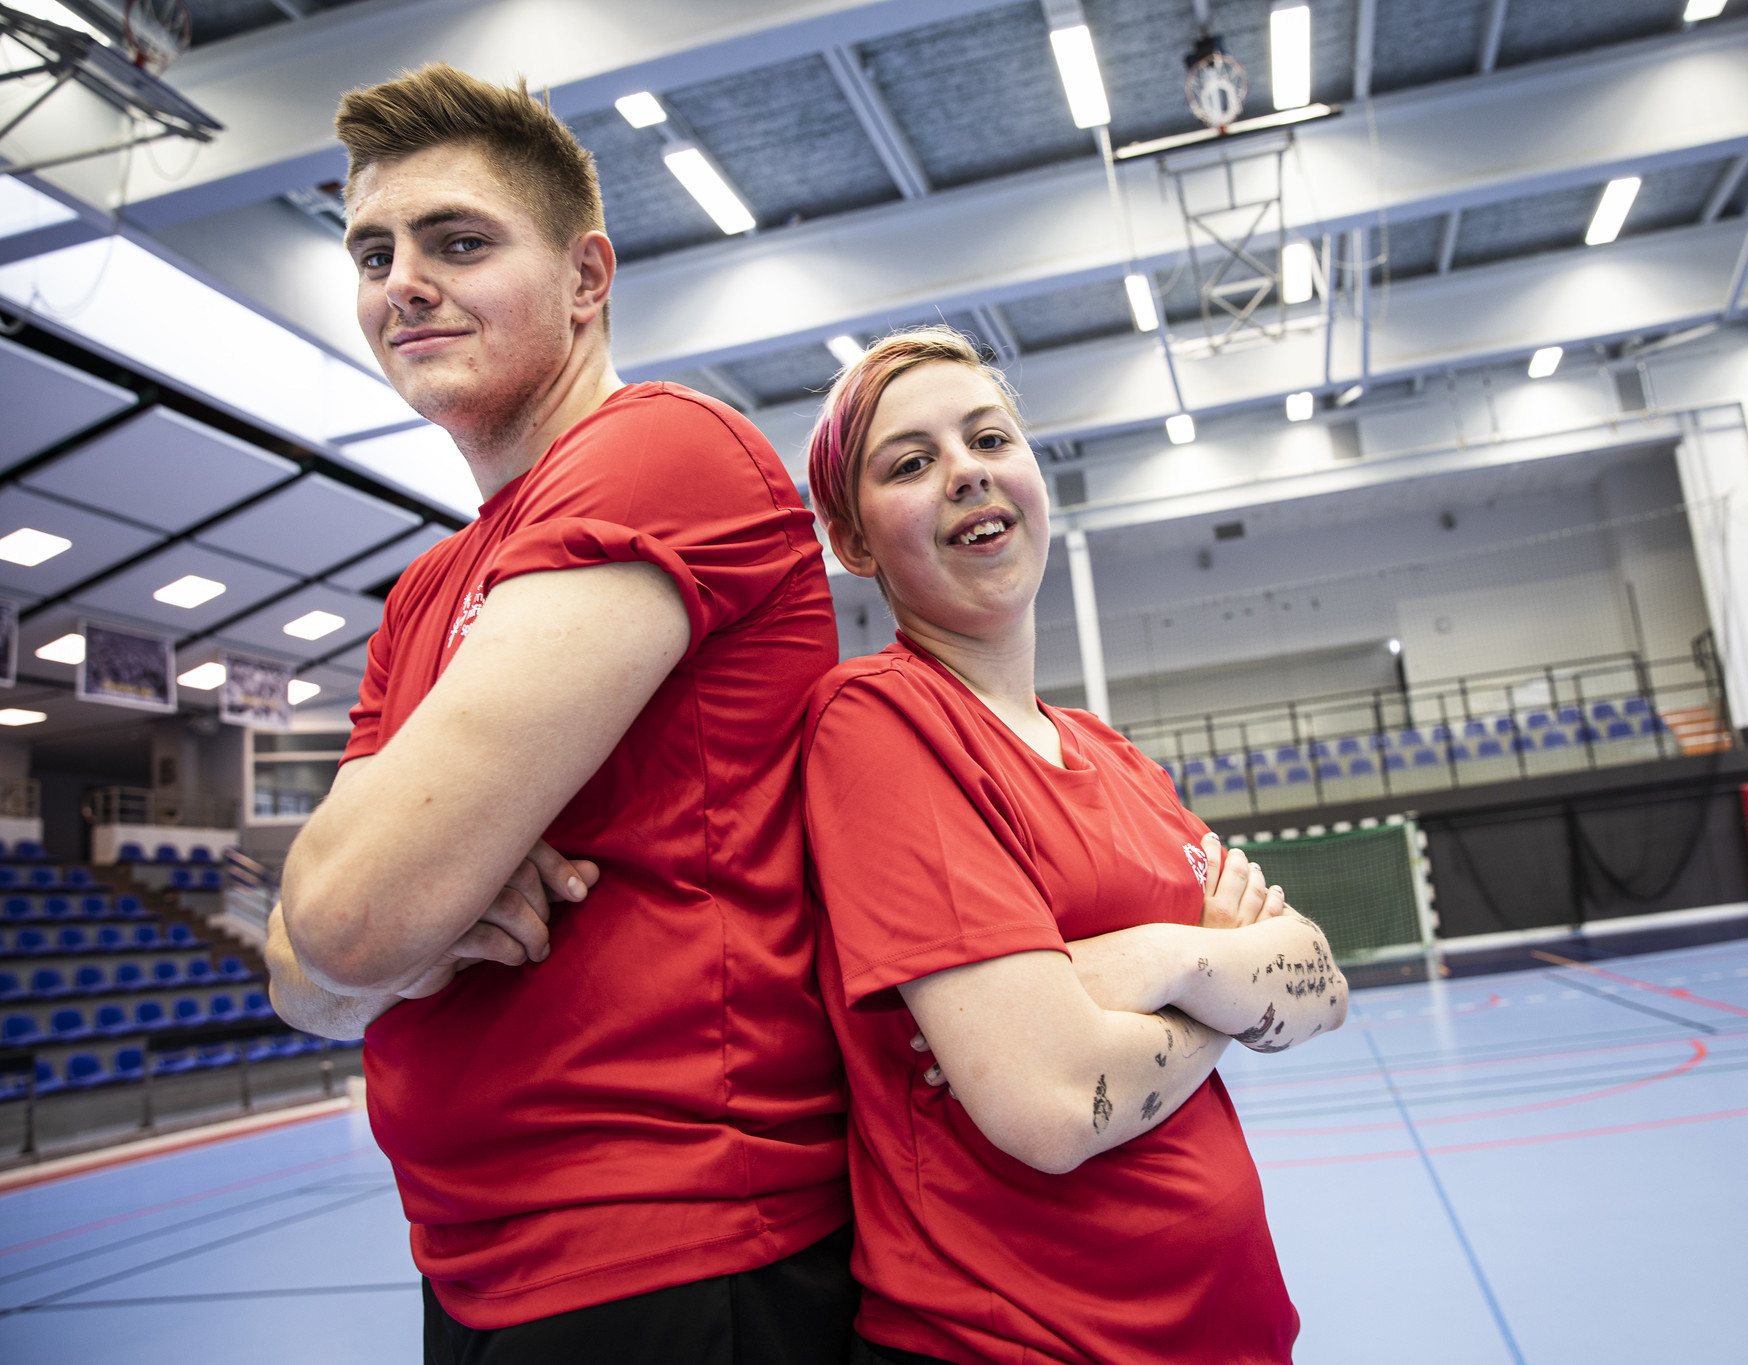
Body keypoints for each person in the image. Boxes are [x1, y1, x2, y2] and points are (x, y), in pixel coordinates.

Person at [260, 65, 853, 1362]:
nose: (400, 281)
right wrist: (394, 931)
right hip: (469, 1263)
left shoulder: (665, 450)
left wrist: (381, 926)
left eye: (457, 241)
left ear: (588, 279)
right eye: (373, 251)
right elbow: (301, 967)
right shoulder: (425, 592)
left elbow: (347, 918)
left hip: (676, 1254)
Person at [800, 327, 1349, 1365]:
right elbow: (1053, 1106)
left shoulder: (1111, 756)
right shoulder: (880, 723)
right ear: (853, 543)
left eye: (988, 438)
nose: (965, 472)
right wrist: (1211, 970)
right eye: (910, 464)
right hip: (1021, 1342)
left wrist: (1154, 964)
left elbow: (1319, 985)